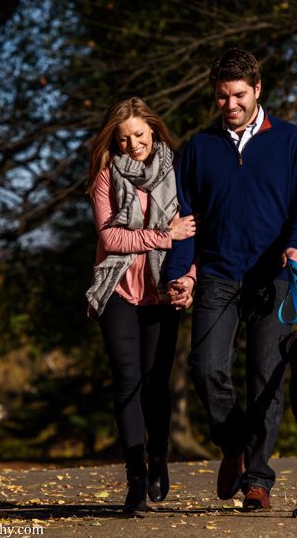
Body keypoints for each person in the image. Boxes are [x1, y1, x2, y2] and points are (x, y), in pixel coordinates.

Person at [166, 48, 297, 512]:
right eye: (221, 96)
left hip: (273, 276)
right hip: (217, 273)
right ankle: (232, 443)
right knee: (205, 366)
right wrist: (183, 271)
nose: (230, 104)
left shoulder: (292, 142)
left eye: (238, 94)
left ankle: (258, 479)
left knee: (267, 380)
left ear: (258, 91)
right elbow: (185, 217)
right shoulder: (198, 149)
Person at [85, 97, 196, 515]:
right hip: (116, 287)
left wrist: (189, 278)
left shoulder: (179, 172)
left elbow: (195, 234)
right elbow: (111, 239)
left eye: (139, 135)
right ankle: (134, 482)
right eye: (123, 138)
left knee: (155, 384)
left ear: (154, 130)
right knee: (126, 381)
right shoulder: (105, 176)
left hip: (161, 291)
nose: (132, 145)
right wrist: (164, 235)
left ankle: (158, 460)